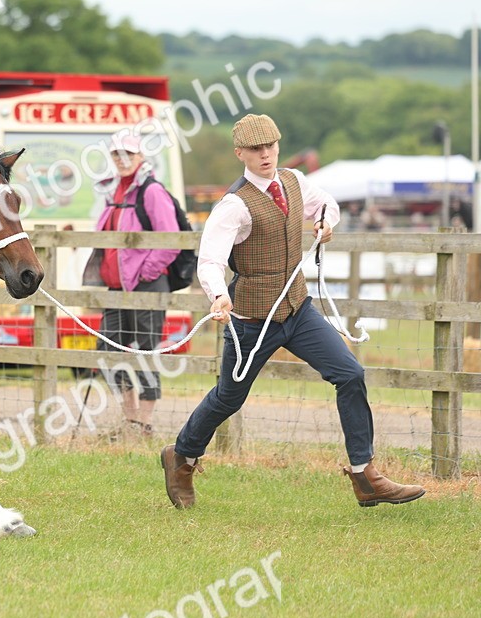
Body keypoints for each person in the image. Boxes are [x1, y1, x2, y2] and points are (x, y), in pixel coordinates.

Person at [161, 114, 424, 509]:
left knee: (350, 373)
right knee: (229, 399)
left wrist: (325, 222)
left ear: (278, 146)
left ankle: (364, 475)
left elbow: (327, 204)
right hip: (251, 321)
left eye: (270, 146)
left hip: (298, 311)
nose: (265, 154)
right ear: (240, 154)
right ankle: (182, 456)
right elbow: (210, 261)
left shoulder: (295, 182)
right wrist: (218, 295)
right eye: (255, 149)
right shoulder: (233, 206)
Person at [81, 133, 180, 435]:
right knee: (109, 349)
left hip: (146, 287)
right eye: (116, 155)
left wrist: (144, 273)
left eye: (128, 153)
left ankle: (144, 424)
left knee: (145, 351)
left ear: (141, 157)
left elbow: (172, 240)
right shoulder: (114, 194)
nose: (122, 160)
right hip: (116, 289)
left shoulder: (151, 192)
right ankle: (131, 419)